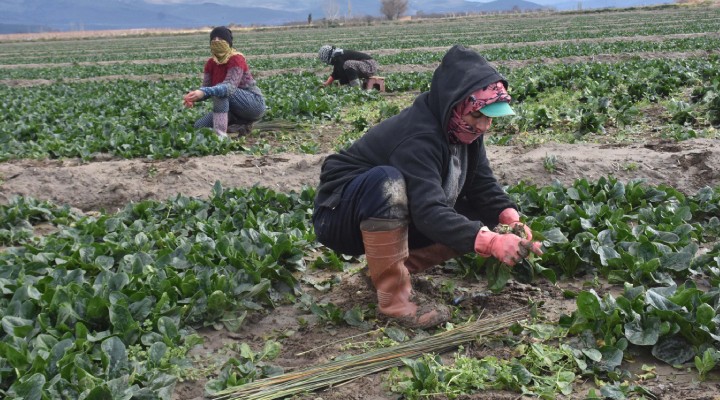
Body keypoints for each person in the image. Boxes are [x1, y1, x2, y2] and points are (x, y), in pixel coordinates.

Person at [312, 45, 543, 329]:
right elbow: (429, 212)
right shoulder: (419, 136)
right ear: (456, 104)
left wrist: (510, 218)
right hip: (339, 212)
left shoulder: (464, 128)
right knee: (388, 183)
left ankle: (385, 272)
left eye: (490, 117)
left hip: (386, 208)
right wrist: (491, 241)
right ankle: (395, 301)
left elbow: (483, 186)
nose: (484, 126)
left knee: (479, 217)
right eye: (478, 116)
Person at [183, 26, 266, 138]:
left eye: (221, 39)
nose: (216, 41)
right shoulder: (211, 64)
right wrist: (194, 96)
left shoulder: (236, 59)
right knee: (199, 126)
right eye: (214, 39)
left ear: (228, 42)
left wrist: (204, 92)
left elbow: (229, 88)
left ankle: (220, 136)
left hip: (253, 104)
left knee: (220, 90)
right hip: (233, 110)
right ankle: (239, 126)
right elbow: (206, 88)